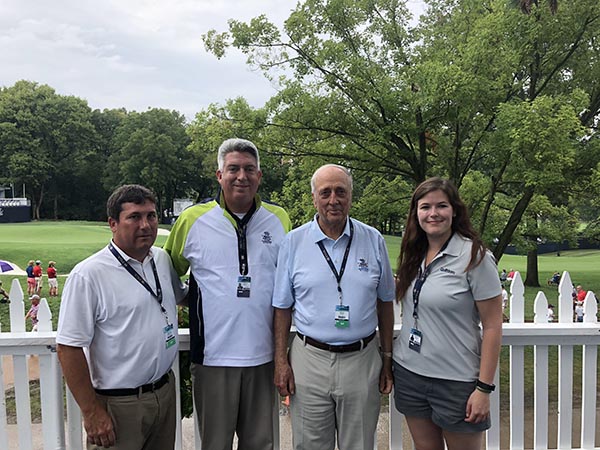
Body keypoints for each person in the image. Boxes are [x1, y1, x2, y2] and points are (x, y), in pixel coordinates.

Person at [164, 138, 291, 450]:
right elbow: (168, 267)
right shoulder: (192, 219)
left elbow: (288, 282)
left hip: (263, 358)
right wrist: (186, 297)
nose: (241, 176)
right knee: (214, 445)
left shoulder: (279, 219)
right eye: (233, 169)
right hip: (212, 357)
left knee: (261, 444)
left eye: (249, 169)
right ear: (219, 175)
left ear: (260, 176)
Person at [272, 164, 396, 450]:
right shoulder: (294, 242)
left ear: (351, 196)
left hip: (362, 359)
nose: (333, 200)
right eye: (325, 192)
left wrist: (386, 359)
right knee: (309, 445)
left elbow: (385, 303)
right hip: (309, 359)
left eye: (341, 191)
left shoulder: (373, 239)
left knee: (360, 444)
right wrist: (281, 362)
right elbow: (282, 307)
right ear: (314, 197)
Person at [56, 184, 188, 450]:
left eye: (151, 215)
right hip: (117, 405)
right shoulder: (89, 275)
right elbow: (68, 347)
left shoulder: (160, 259)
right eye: (135, 217)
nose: (146, 225)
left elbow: (182, 298)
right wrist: (91, 412)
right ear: (113, 223)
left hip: (163, 393)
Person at [392, 177, 503, 450]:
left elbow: (492, 325)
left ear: (454, 210)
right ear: (415, 213)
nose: (433, 213)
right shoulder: (415, 255)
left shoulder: (475, 257)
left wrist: (483, 389)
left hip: (456, 381)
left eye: (441, 206)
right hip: (410, 373)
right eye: (425, 207)